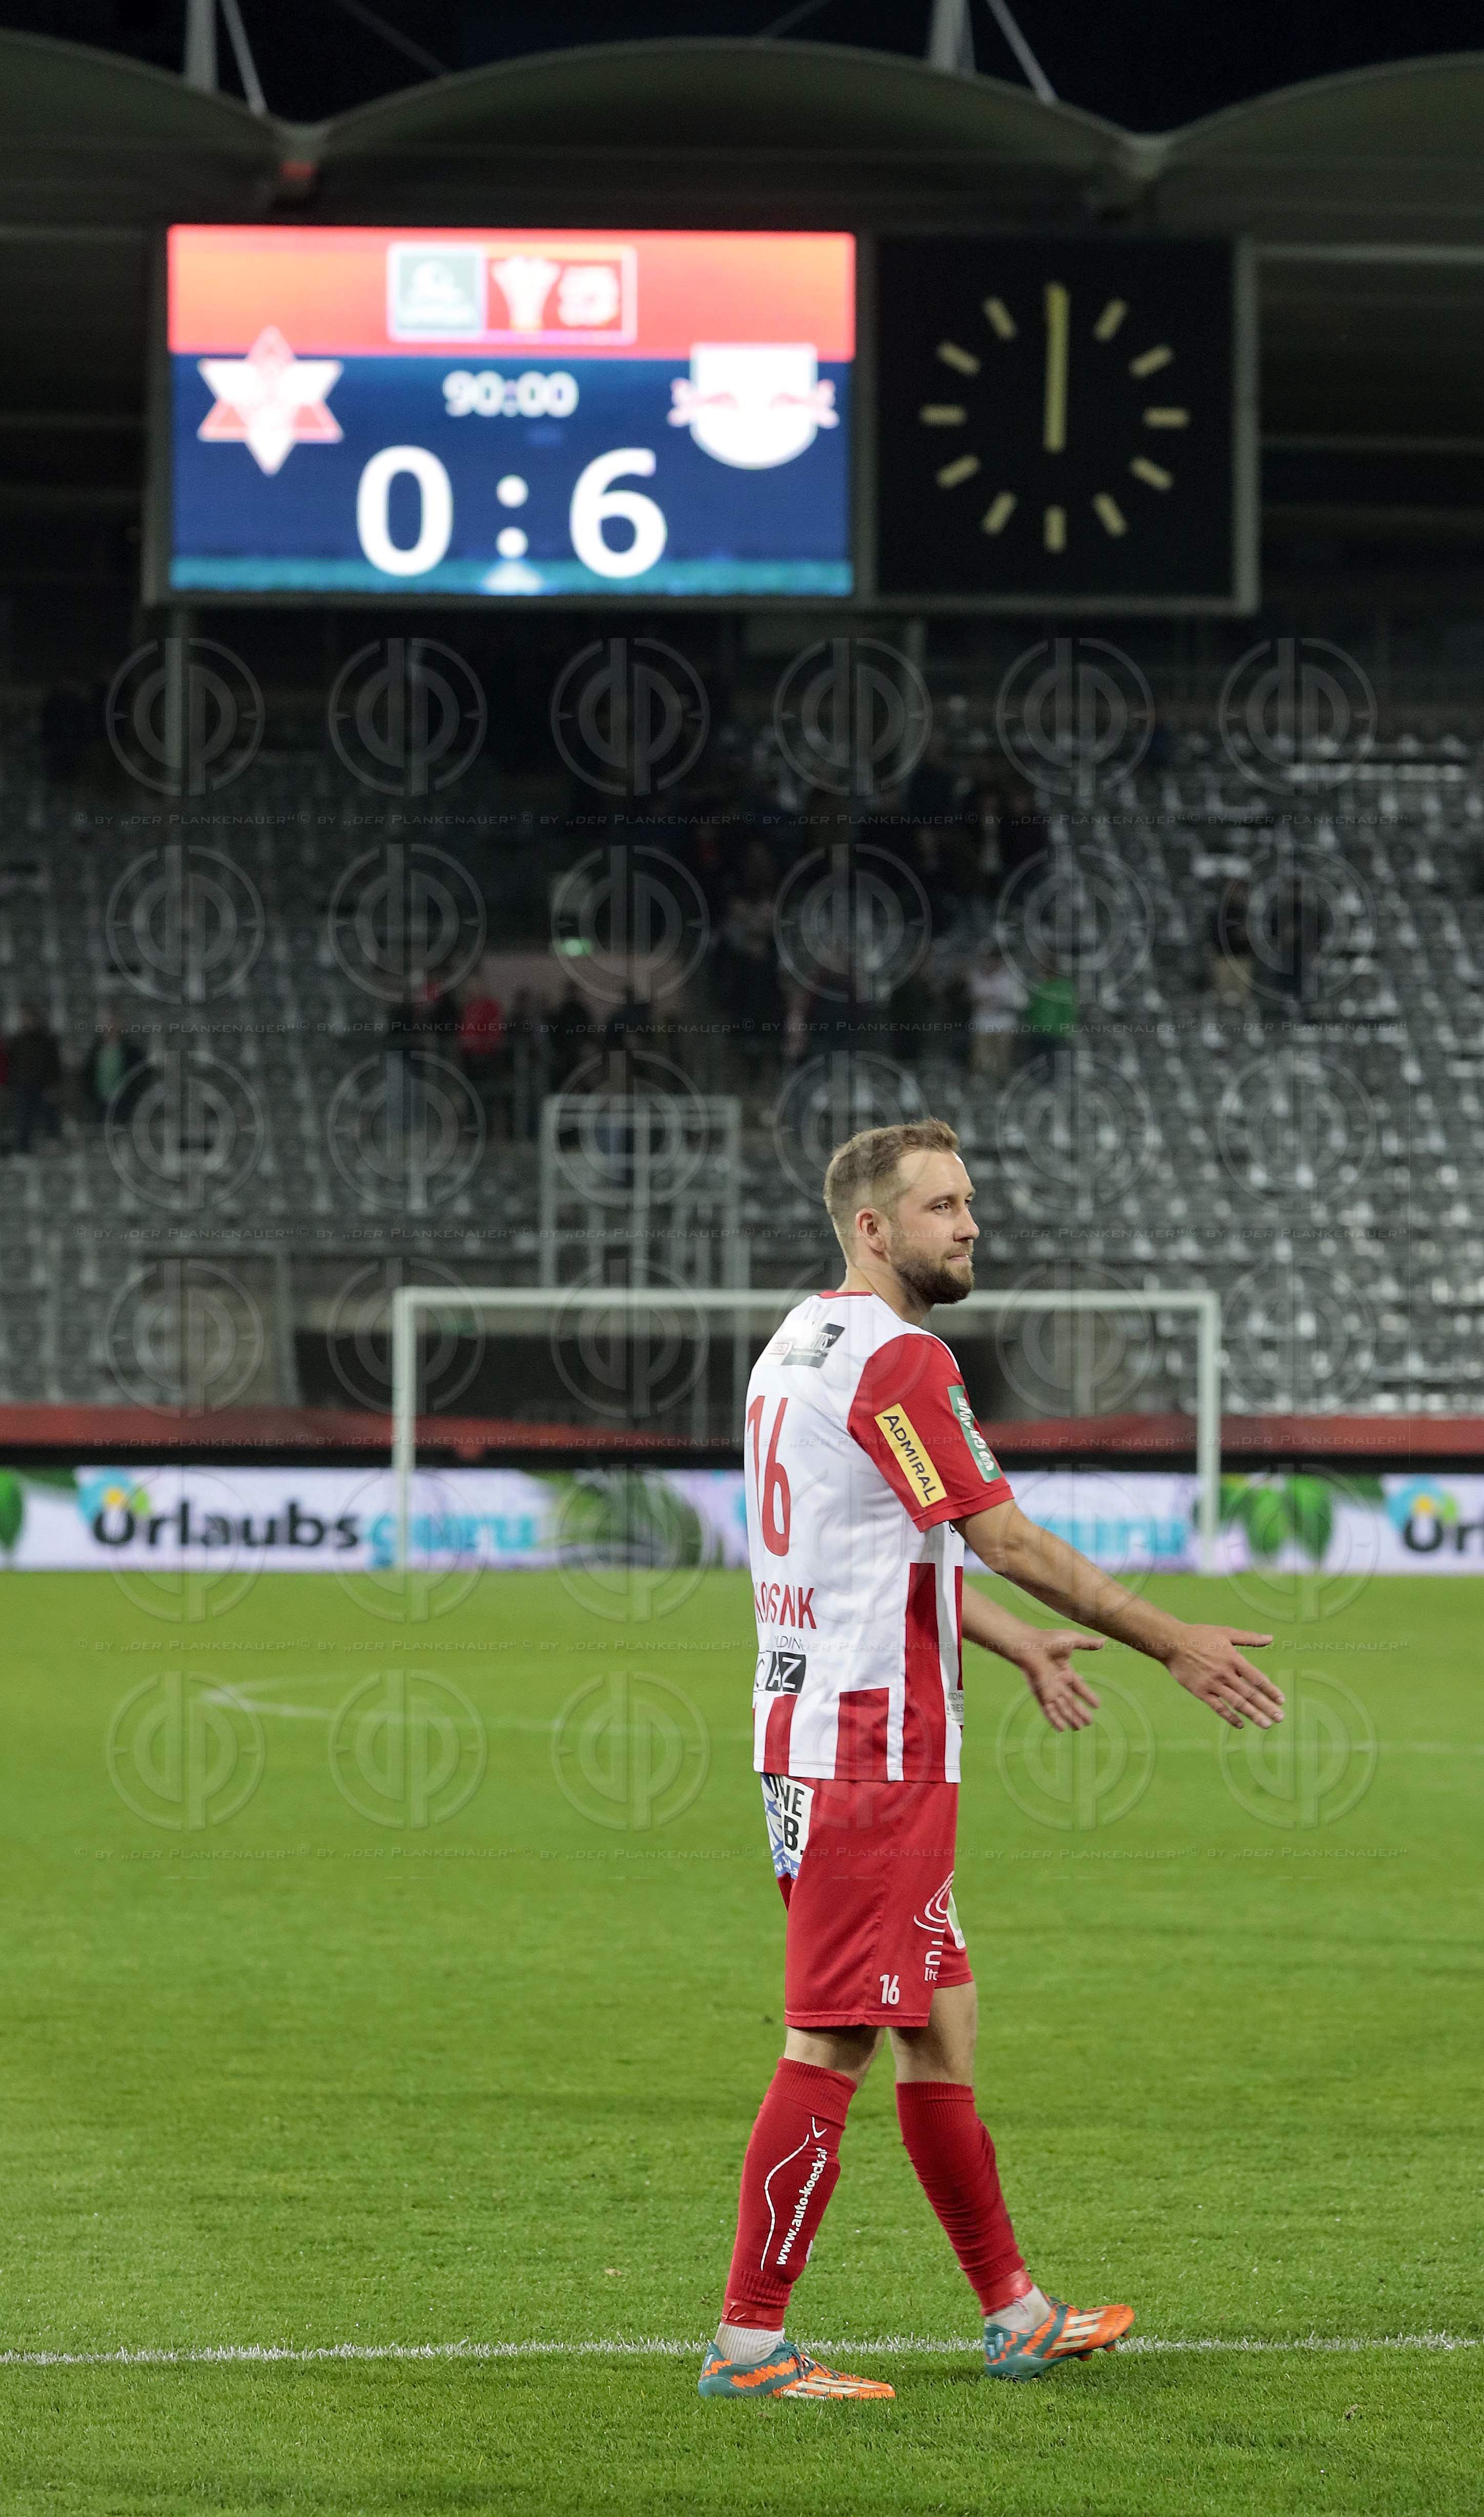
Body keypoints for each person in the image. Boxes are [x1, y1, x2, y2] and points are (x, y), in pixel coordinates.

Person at [700, 1118, 1283, 2402]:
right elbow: (1000, 1535)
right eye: (940, 1206)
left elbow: (885, 1548)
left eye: (968, 1202)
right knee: (834, 2038)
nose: (968, 1225)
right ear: (871, 1227)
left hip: (810, 1732)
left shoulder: (799, 1341)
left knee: (939, 2025)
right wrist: (1164, 1635)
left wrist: (1015, 1647)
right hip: (873, 1748)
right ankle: (749, 2337)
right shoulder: (903, 1360)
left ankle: (1013, 2309)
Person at [966, 945, 1027, 1083]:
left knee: (1003, 1056)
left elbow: (1022, 1003)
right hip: (982, 1024)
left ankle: (1002, 1082)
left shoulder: (1011, 978)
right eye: (987, 960)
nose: (989, 964)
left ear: (999, 961)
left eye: (993, 960)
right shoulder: (977, 976)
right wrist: (980, 1001)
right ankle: (980, 1082)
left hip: (1004, 1025)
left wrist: (1002, 1003)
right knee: (980, 1056)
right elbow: (972, 997)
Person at [8, 1004, 63, 1153]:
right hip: (24, 1086)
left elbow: (54, 1065)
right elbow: (12, 1064)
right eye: (26, 1018)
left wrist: (53, 1087)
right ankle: (23, 1150)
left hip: (44, 1086)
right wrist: (13, 1084)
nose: (29, 1021)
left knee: (50, 1117)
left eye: (32, 1018)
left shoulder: (48, 1040)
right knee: (24, 1120)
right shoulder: (18, 1040)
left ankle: (53, 1147)